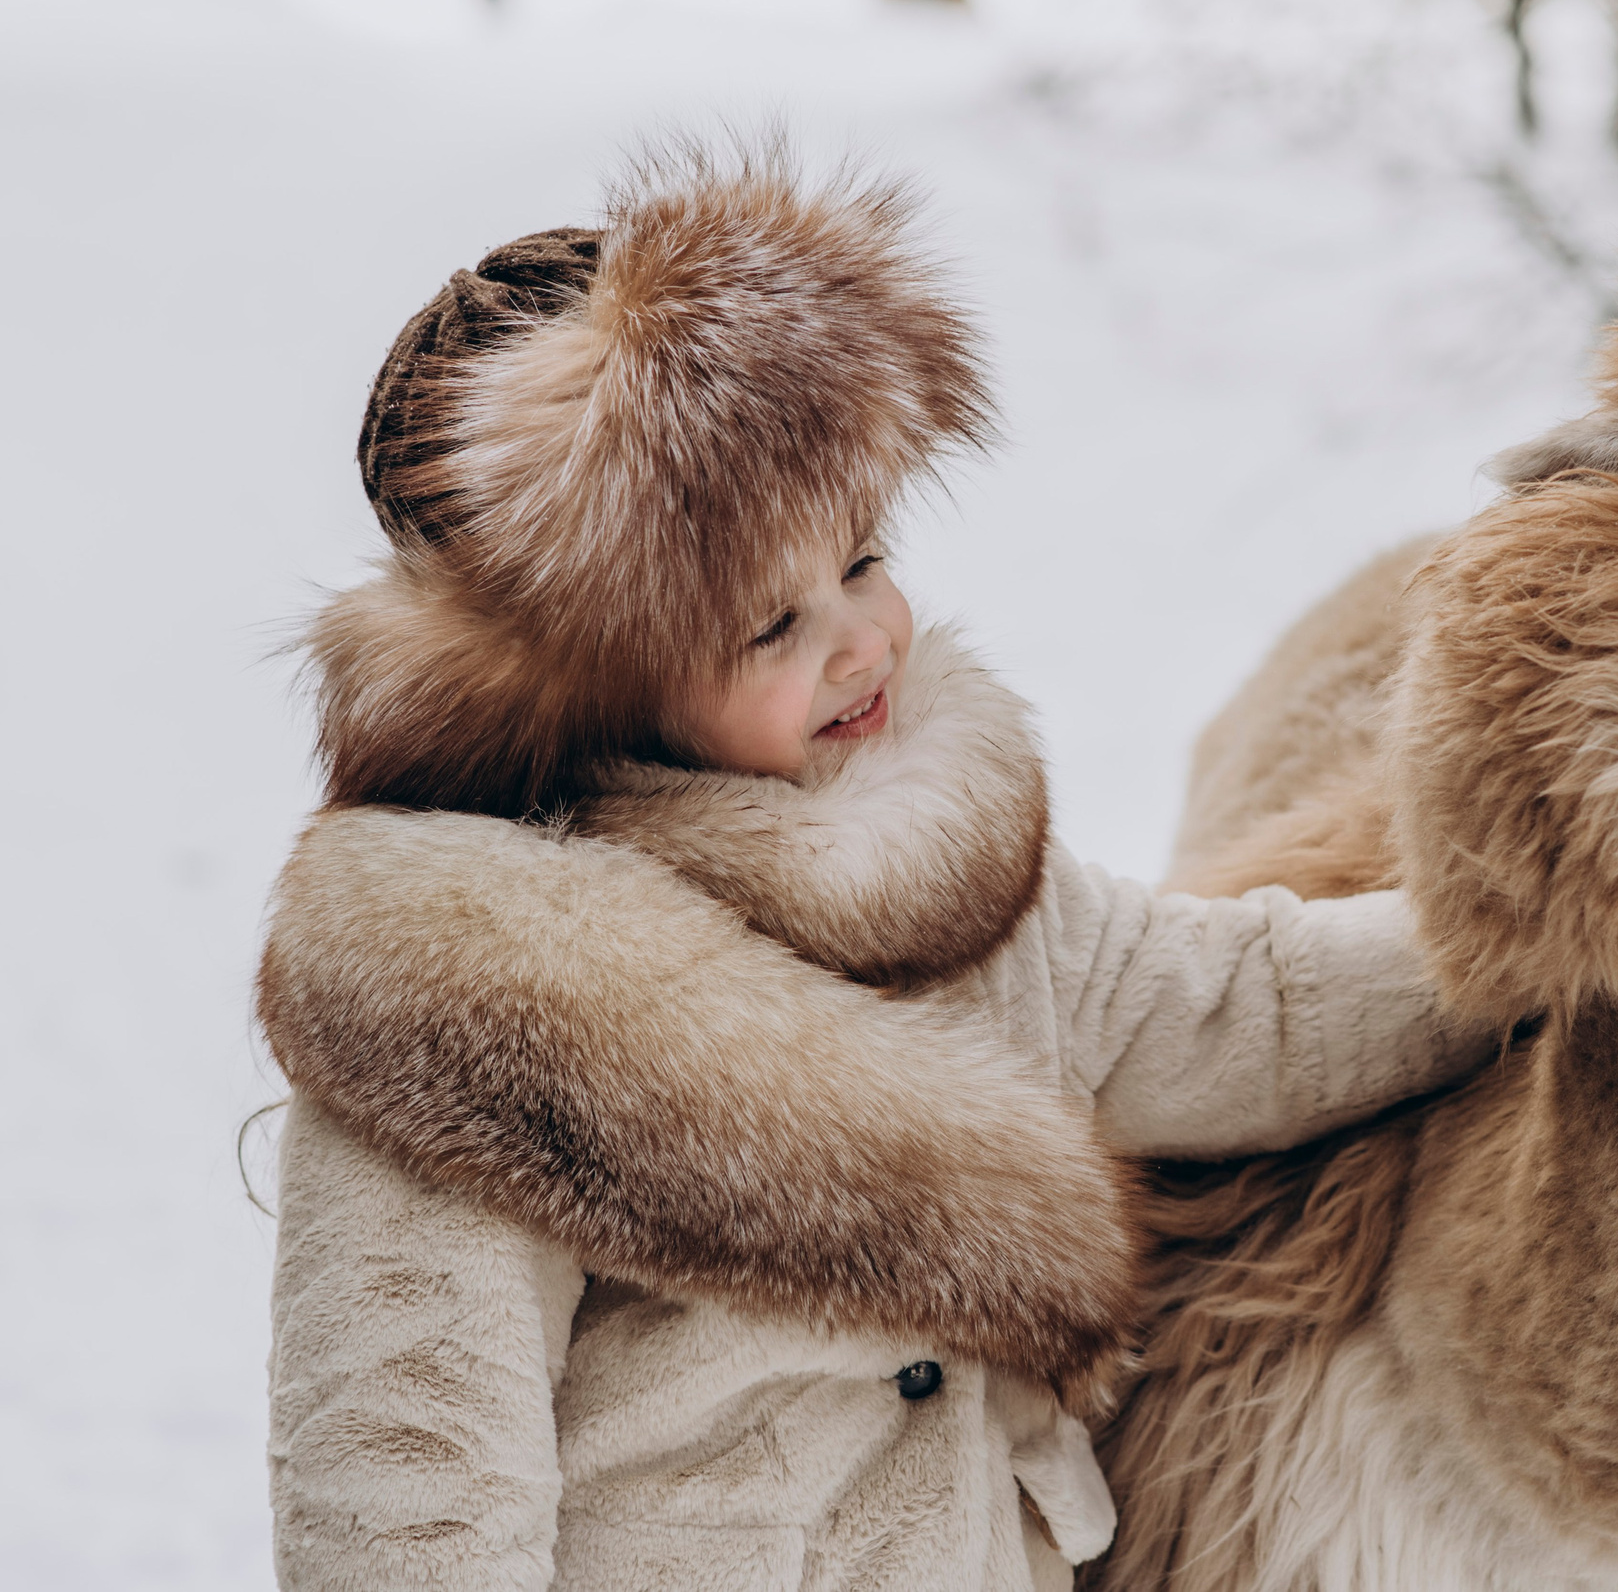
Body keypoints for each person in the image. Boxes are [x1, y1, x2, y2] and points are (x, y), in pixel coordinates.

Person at [255, 150, 1492, 1592]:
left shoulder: (934, 863)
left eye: (866, 555)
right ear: (587, 690)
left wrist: (1521, 944)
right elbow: (409, 1487)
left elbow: (1225, 1003)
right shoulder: (458, 997)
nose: (860, 639)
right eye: (769, 627)